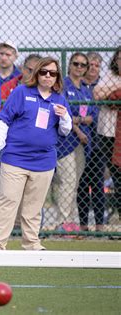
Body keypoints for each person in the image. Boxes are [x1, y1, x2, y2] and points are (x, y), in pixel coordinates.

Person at [0, 57, 72, 250]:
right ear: (37, 74)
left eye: (52, 73)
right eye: (43, 72)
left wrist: (66, 117)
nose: (48, 76)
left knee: (34, 206)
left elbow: (64, 131)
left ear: (57, 76)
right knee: (8, 201)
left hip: (43, 161)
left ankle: (31, 243)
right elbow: (4, 120)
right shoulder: (21, 92)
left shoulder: (59, 99)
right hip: (15, 158)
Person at [52, 52, 97, 232]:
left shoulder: (86, 90)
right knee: (67, 181)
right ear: (69, 65)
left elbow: (92, 115)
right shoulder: (64, 86)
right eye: (76, 64)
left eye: (83, 65)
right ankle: (63, 223)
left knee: (74, 183)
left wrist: (78, 120)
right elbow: (64, 113)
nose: (79, 68)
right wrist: (77, 126)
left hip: (84, 143)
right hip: (66, 141)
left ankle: (69, 221)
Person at [80, 47, 121, 231]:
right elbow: (99, 94)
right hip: (100, 136)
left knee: (104, 182)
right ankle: (81, 225)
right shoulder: (107, 77)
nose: (94, 68)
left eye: (97, 64)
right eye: (119, 59)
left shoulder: (105, 81)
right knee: (87, 181)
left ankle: (104, 224)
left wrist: (111, 94)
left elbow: (108, 95)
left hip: (108, 138)